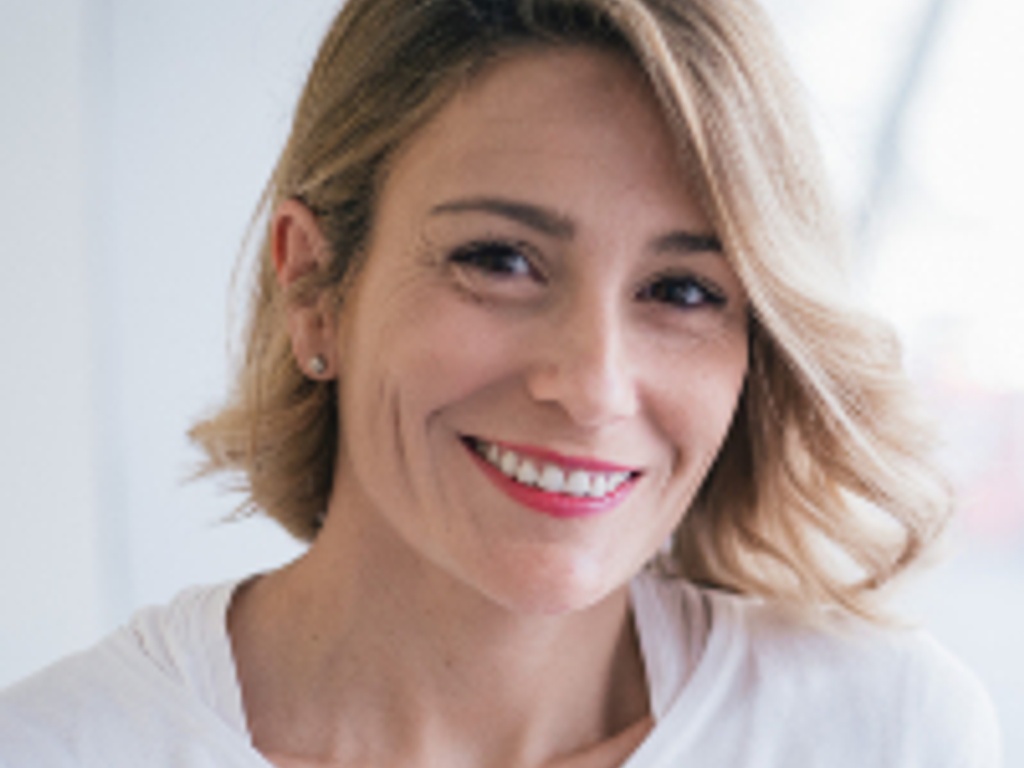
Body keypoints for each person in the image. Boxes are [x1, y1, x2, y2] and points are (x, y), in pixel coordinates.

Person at [0, 0, 1002, 765]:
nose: (595, 385)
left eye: (683, 288)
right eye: (500, 260)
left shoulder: (887, 733)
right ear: (312, 286)